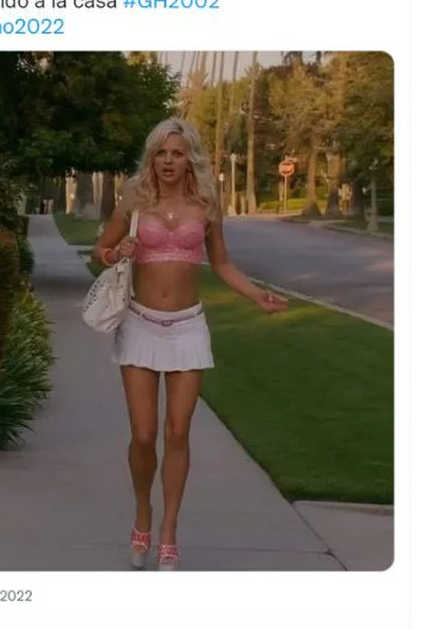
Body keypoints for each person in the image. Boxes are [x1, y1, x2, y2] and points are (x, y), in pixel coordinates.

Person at [92, 117, 288, 570]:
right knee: (144, 435)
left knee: (178, 432)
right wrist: (115, 252)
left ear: (190, 158)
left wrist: (256, 295)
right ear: (152, 157)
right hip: (139, 324)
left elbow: (222, 264)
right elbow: (100, 251)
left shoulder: (206, 203)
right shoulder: (134, 198)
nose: (168, 161)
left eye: (177, 153)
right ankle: (143, 514)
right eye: (161, 152)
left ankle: (169, 530)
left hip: (187, 328)